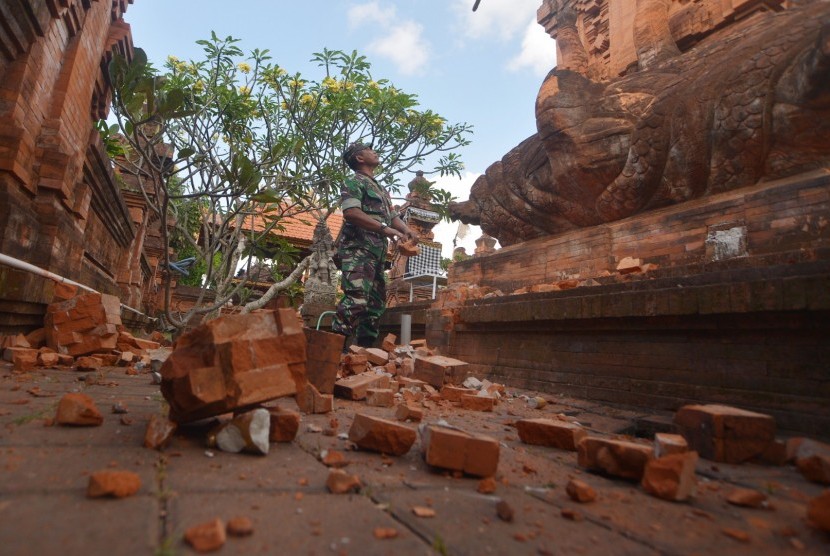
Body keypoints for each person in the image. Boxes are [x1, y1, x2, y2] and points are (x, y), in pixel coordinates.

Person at [332, 142, 418, 349]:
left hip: (376, 253)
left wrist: (406, 229)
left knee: (375, 306)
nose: (375, 152)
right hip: (357, 250)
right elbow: (351, 213)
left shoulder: (379, 188)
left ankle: (365, 353)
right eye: (369, 150)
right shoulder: (353, 181)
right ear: (359, 158)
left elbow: (392, 216)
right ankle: (335, 351)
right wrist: (385, 230)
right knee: (357, 299)